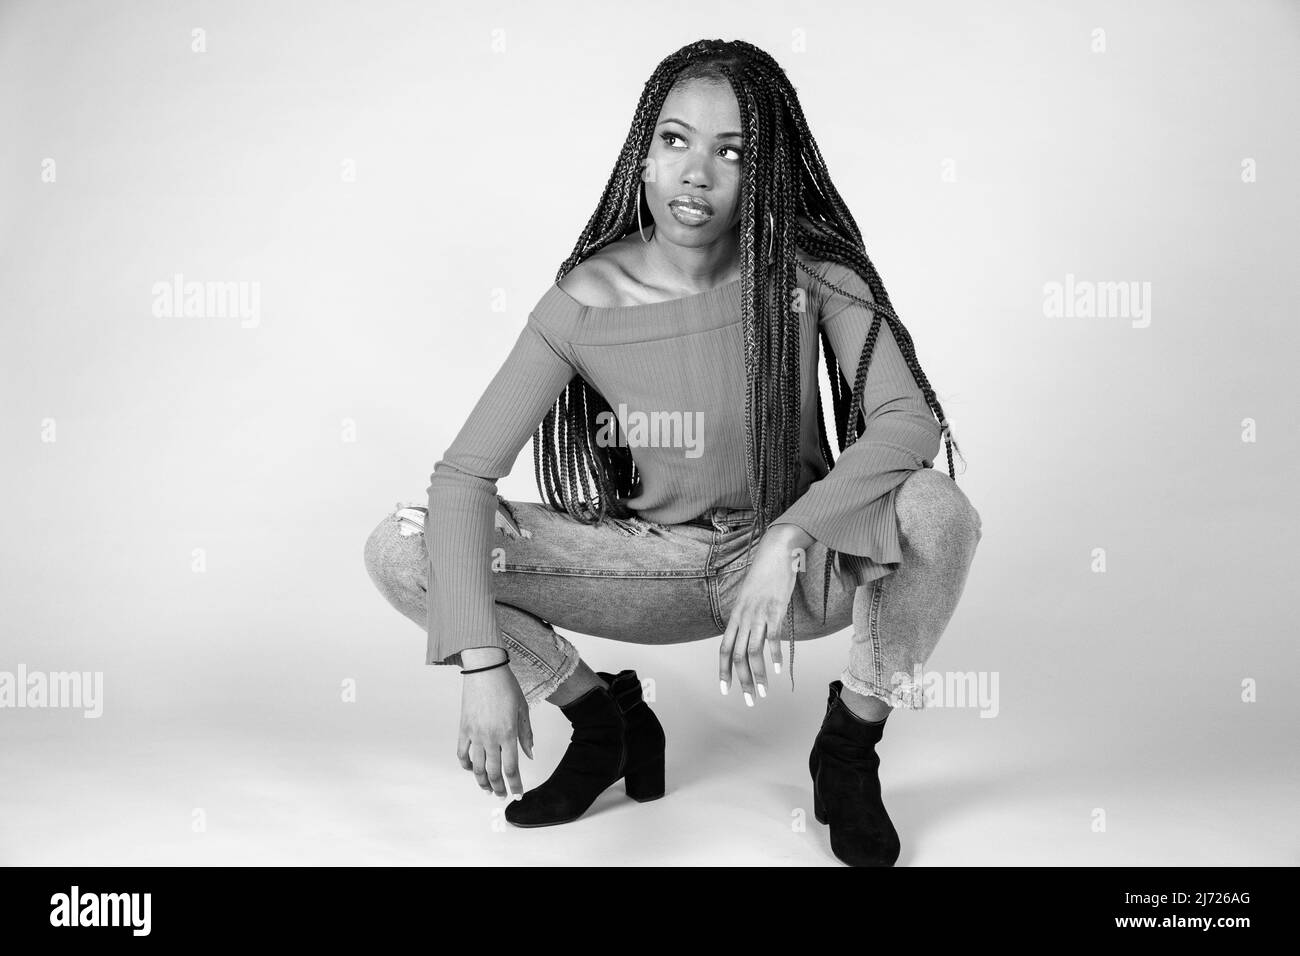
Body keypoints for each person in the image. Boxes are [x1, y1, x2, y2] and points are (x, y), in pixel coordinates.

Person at [363, 38, 983, 866]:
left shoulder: (810, 269)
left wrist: (790, 537)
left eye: (733, 152)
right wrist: (481, 667)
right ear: (643, 159)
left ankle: (848, 750)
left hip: (794, 569)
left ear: (762, 172)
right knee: (406, 548)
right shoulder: (583, 300)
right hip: (650, 563)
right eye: (676, 140)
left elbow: (907, 422)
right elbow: (465, 475)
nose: (699, 173)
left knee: (940, 510)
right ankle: (604, 722)